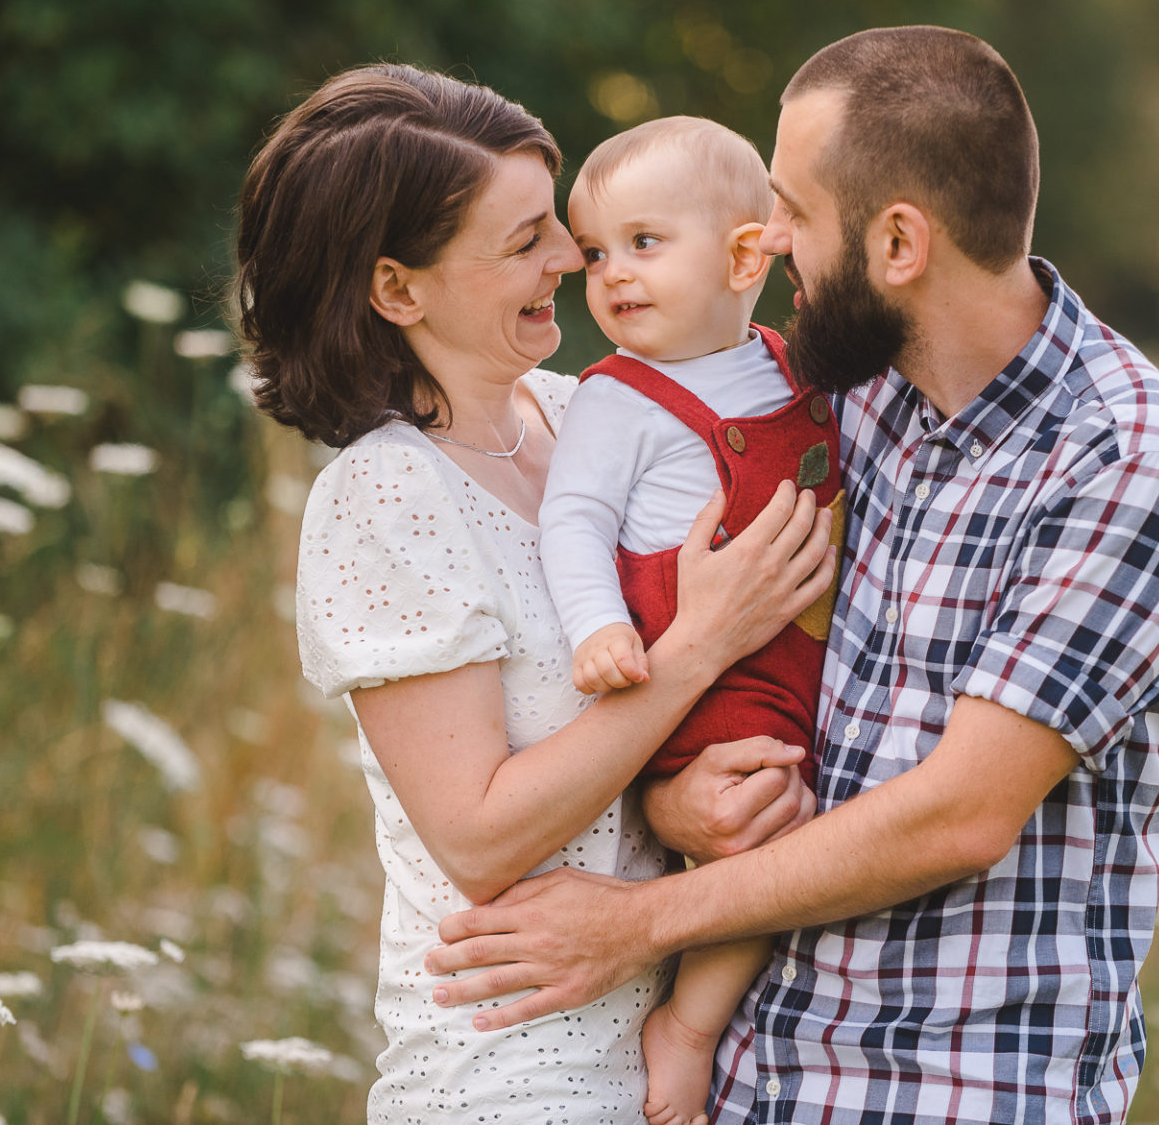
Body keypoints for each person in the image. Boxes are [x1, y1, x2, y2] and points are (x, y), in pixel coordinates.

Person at [422, 26, 1159, 1125]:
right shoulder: (848, 398)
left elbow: (960, 813)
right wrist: (674, 799)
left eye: (794, 214)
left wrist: (635, 923)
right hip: (754, 1076)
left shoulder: (1127, 456)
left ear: (898, 242)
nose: (768, 243)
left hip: (952, 1090)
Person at [232, 64, 833, 1124]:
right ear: (398, 291)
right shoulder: (387, 494)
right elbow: (479, 836)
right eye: (526, 242)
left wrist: (672, 800)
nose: (572, 258)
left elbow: (613, 760)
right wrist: (702, 642)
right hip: (514, 1070)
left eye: (560, 225)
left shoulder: (578, 413)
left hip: (667, 1045)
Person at [538, 116, 844, 1125]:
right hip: (698, 672)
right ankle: (691, 1028)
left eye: (644, 242)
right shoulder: (616, 398)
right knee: (758, 831)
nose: (611, 273)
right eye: (595, 253)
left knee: (789, 824)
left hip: (794, 654)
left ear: (749, 252)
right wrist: (598, 629)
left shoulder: (787, 364)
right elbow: (574, 519)